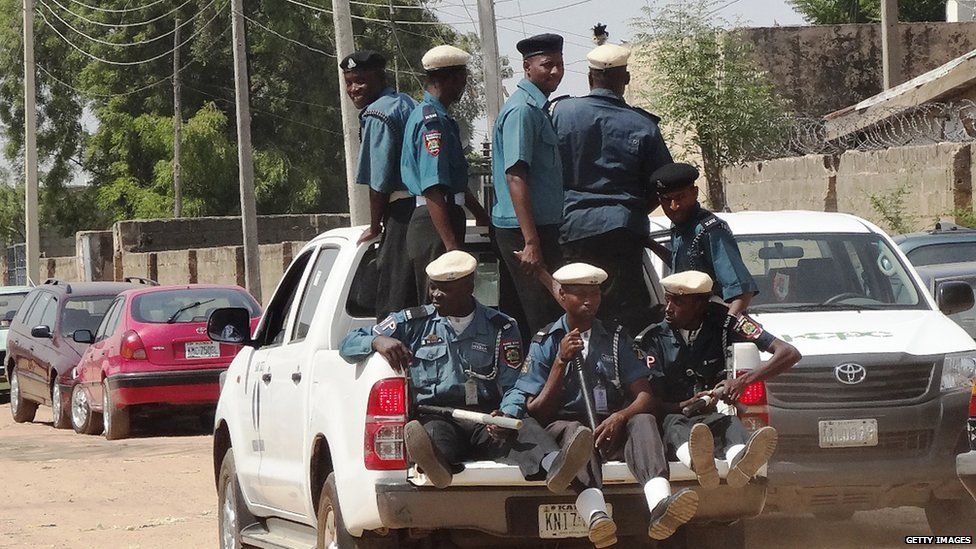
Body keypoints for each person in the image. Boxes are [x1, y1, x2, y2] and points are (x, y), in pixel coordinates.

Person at [339, 251, 592, 491]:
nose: (435, 294)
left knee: (524, 429)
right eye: (432, 287)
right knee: (433, 436)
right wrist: (377, 341)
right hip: (439, 415)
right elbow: (348, 344)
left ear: (469, 287)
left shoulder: (502, 327)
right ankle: (435, 466)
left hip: (487, 418)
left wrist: (506, 413)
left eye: (444, 289)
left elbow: (516, 383)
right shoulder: (413, 323)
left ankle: (555, 468)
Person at [504, 263, 698, 547]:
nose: (589, 301)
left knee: (642, 419)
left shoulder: (617, 337)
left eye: (594, 294)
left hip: (609, 423)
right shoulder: (545, 341)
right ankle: (597, 517)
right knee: (576, 434)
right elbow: (538, 411)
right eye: (580, 294)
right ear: (562, 296)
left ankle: (660, 505)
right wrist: (560, 362)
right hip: (566, 425)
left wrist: (621, 416)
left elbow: (644, 395)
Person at [635, 270, 801, 489]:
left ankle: (741, 463)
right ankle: (700, 464)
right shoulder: (653, 338)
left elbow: (789, 353)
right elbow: (651, 402)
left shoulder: (726, 323)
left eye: (678, 302)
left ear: (700, 304)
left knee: (730, 424)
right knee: (675, 426)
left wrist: (743, 381)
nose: (668, 308)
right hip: (673, 416)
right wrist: (685, 405)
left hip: (710, 415)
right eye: (667, 300)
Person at [550, 42, 673, 336]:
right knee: (624, 317)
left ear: (590, 78)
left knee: (576, 311)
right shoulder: (644, 124)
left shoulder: (561, 113)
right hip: (624, 232)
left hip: (574, 229)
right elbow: (665, 181)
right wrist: (630, 210)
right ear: (625, 79)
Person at [490, 33, 566, 339]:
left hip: (536, 229)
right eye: (547, 65)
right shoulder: (522, 110)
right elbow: (515, 176)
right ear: (527, 67)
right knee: (544, 321)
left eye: (560, 65)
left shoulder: (537, 109)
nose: (556, 72)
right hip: (525, 232)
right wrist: (531, 242)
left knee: (528, 321)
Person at [400, 45, 490, 303]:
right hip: (435, 222)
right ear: (450, 79)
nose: (464, 87)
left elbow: (455, 182)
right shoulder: (432, 123)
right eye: (462, 79)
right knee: (440, 305)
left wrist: (482, 215)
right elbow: (433, 188)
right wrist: (451, 246)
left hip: (443, 217)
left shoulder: (438, 117)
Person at [340, 50, 419, 320]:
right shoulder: (406, 102)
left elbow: (379, 182)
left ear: (379, 78)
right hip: (425, 209)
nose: (353, 89)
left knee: (393, 305)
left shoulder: (377, 114)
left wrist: (375, 226)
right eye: (349, 82)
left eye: (360, 81)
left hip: (402, 213)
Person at [648, 162, 758, 316]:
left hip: (709, 322)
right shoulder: (679, 226)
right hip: (686, 322)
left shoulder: (710, 230)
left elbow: (742, 292)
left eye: (680, 197)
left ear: (694, 193)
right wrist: (649, 243)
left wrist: (725, 326)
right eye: (667, 200)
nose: (674, 206)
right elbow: (683, 267)